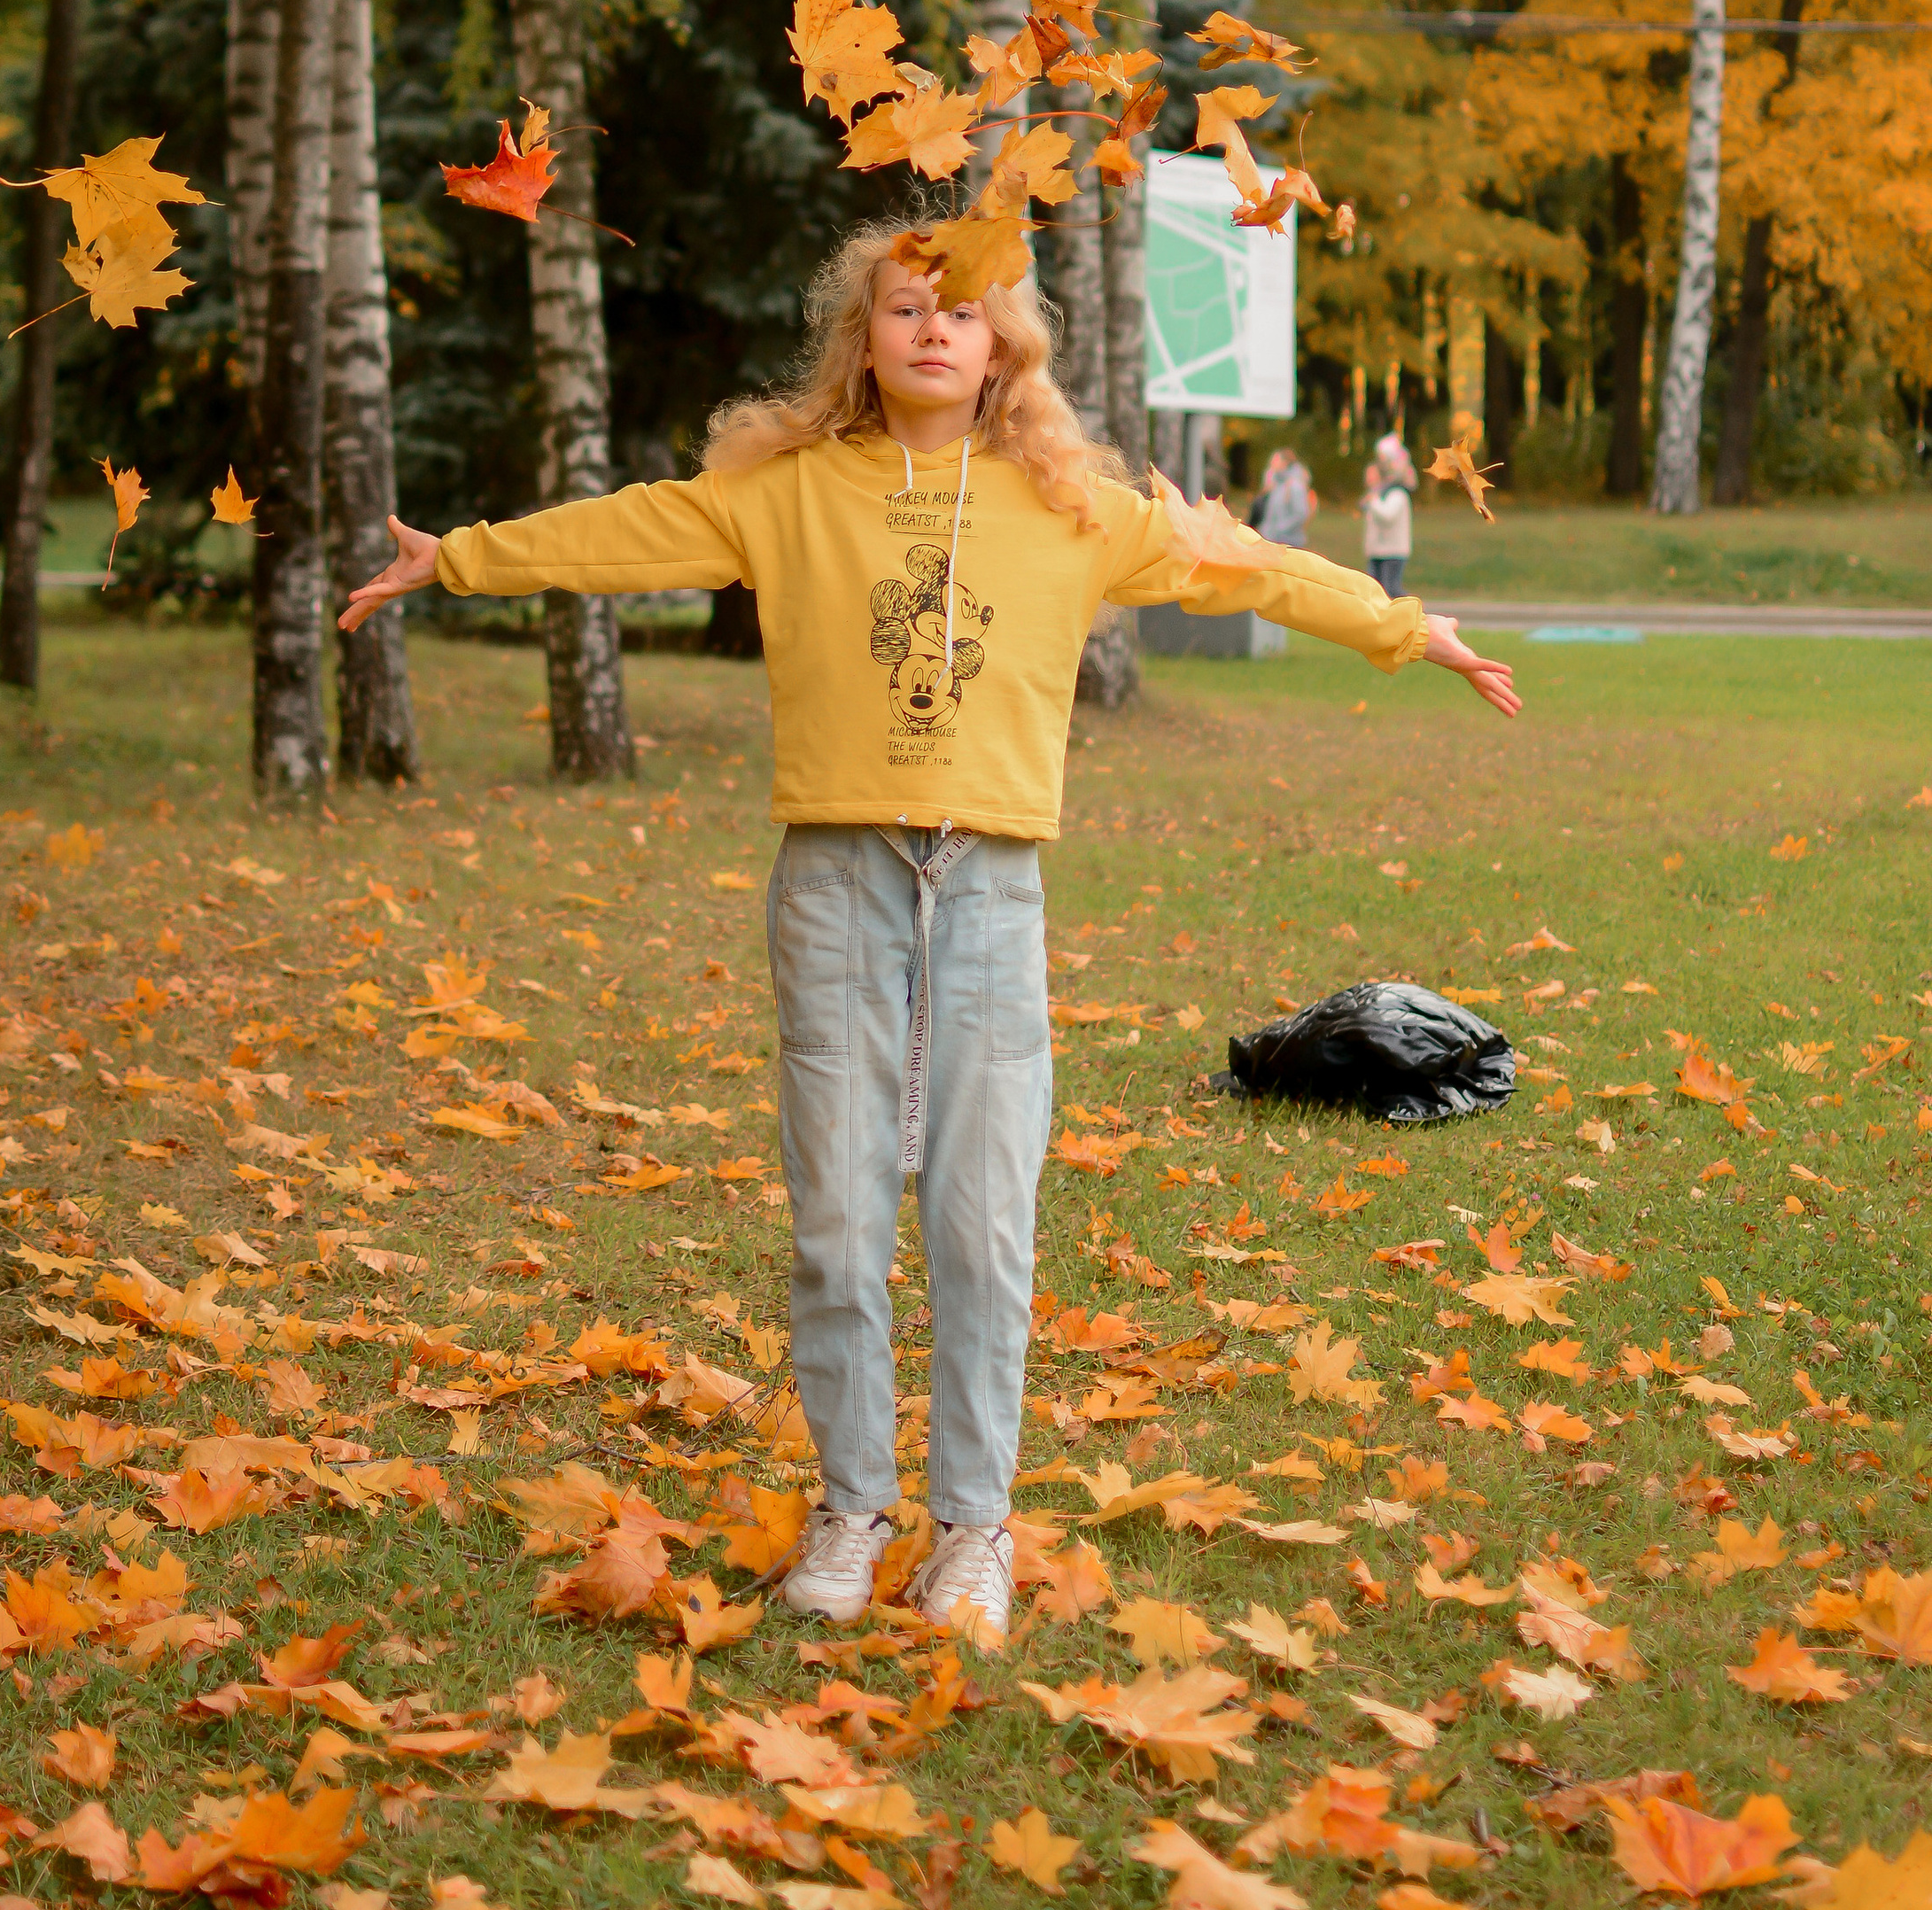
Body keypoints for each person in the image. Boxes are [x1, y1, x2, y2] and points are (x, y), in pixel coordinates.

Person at [340, 221, 1519, 1641]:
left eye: (961, 313)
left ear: (1001, 345)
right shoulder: (780, 492)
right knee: (839, 1225)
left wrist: (1409, 629)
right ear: (867, 336)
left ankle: (972, 1527)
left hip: (989, 890)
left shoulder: (1072, 506)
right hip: (836, 883)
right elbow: (622, 529)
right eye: (906, 309)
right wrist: (454, 559)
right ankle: (851, 1509)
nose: (934, 332)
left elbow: (1246, 566)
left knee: (980, 1225)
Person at [1362, 453, 1412, 597]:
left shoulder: (1396, 494)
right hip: (1377, 551)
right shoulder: (1375, 495)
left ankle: (1414, 611)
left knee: (1391, 590)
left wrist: (1373, 501)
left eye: (1371, 474)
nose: (1368, 478)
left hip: (1392, 551)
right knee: (1375, 591)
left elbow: (1387, 516)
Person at [1254, 444, 1315, 546]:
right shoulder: (1277, 482)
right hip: (1271, 540)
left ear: (1284, 463)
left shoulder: (1295, 485)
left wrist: (1280, 529)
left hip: (1287, 542)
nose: (1271, 463)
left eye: (1275, 460)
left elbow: (1301, 514)